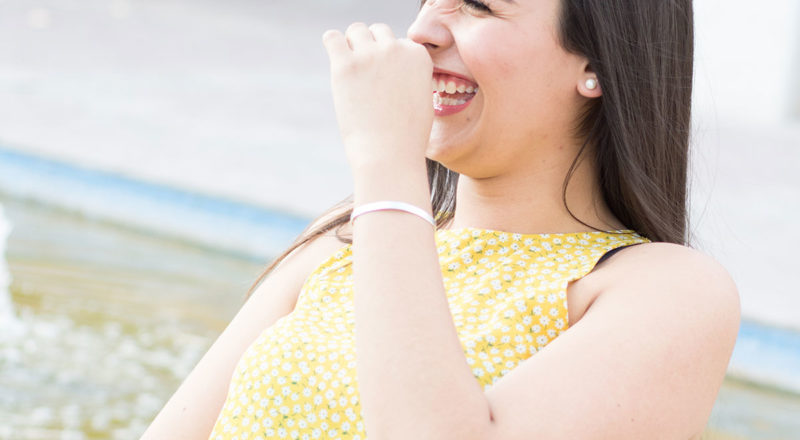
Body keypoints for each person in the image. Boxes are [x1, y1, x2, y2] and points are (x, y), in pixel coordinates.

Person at [143, 0, 740, 438]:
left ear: (599, 62)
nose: (421, 32)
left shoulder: (667, 292)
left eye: (478, 6)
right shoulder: (345, 240)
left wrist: (387, 161)